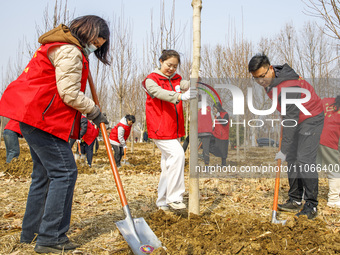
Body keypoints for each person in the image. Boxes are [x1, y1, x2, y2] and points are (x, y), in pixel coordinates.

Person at [0, 15, 110, 253]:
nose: (98, 46)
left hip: (36, 118)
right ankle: (51, 237)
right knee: (64, 173)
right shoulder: (70, 51)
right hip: (42, 119)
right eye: (98, 40)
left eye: (101, 44)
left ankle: (31, 233)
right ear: (87, 31)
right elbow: (68, 93)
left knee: (43, 176)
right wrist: (94, 112)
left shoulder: (60, 46)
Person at [248, 53, 324, 219]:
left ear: (270, 69)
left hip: (311, 117)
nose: (260, 81)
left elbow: (291, 118)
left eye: (262, 76)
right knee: (292, 158)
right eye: (256, 79)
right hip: (295, 117)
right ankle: (295, 199)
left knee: (304, 159)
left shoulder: (289, 86)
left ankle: (311, 204)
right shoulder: (272, 80)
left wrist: (282, 149)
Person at [142, 49, 196, 211]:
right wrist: (180, 96)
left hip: (174, 127)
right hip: (160, 127)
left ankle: (162, 201)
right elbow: (158, 93)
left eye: (175, 66)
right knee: (178, 154)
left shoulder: (177, 79)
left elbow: (187, 84)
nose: (171, 69)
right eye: (168, 65)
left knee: (168, 165)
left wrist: (195, 78)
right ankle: (174, 197)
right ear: (160, 61)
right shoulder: (151, 80)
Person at [316, 96, 340, 208]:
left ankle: (304, 195)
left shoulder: (325, 101)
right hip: (330, 138)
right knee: (334, 168)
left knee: (312, 167)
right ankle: (334, 199)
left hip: (313, 135)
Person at [198, 95, 213, 165]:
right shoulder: (209, 108)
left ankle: (194, 162)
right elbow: (213, 119)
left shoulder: (195, 107)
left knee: (194, 147)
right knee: (206, 149)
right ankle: (207, 166)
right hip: (208, 131)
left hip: (198, 131)